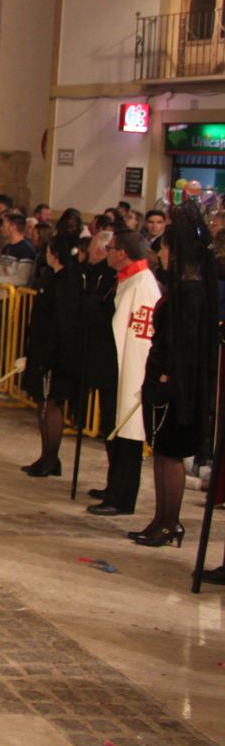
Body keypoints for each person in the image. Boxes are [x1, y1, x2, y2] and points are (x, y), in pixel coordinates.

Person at [130, 202, 217, 546]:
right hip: (164, 380)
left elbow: (187, 343)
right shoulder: (184, 286)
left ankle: (170, 523)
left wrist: (168, 376)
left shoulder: (191, 291)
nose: (160, 254)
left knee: (170, 456)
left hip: (176, 386)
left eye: (165, 248)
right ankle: (160, 519)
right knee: (162, 454)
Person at [88, 231, 162, 518]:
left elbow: (141, 333)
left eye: (111, 248)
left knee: (128, 434)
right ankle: (112, 486)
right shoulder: (127, 279)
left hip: (130, 367)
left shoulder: (143, 284)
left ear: (123, 252)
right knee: (112, 428)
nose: (107, 251)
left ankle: (123, 497)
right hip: (113, 366)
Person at [20, 234, 84, 478]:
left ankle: (51, 457)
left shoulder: (65, 281)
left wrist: (49, 357)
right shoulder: (54, 277)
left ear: (55, 254)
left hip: (53, 355)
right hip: (41, 351)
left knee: (50, 405)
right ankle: (46, 455)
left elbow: (61, 322)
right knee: (42, 404)